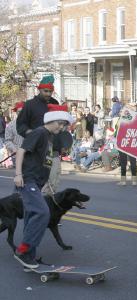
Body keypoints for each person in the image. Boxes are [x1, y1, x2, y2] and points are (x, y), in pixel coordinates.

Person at [13, 108, 73, 269]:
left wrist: (46, 182)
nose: (61, 127)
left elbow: (45, 162)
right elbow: (21, 151)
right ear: (51, 121)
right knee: (42, 212)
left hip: (37, 183)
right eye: (60, 124)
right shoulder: (39, 133)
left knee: (31, 218)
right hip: (27, 181)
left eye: (64, 125)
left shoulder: (49, 137)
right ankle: (23, 251)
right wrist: (18, 174)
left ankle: (28, 259)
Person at [16, 75, 66, 195]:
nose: (48, 94)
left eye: (50, 91)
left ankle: (46, 207)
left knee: (52, 182)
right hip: (35, 152)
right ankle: (35, 206)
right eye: (46, 91)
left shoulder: (55, 103)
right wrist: (29, 132)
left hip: (52, 151)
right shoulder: (29, 105)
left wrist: (62, 144)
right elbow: (20, 125)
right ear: (39, 89)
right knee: (35, 183)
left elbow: (60, 126)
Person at [117, 105, 137, 186]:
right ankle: (123, 180)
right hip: (122, 143)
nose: (121, 112)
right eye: (121, 111)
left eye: (122, 111)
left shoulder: (132, 118)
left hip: (131, 143)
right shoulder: (119, 119)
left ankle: (134, 180)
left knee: (133, 162)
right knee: (123, 163)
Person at [4, 102, 25, 167]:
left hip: (33, 157)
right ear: (16, 112)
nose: (21, 113)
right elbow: (7, 141)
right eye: (19, 111)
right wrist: (14, 149)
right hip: (18, 156)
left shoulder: (33, 123)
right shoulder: (11, 125)